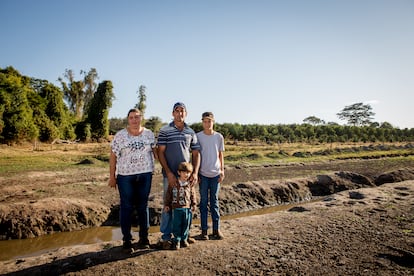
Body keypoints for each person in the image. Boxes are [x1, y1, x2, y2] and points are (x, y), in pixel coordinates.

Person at [108, 108, 156, 251]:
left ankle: (144, 238)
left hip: (145, 175)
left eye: (137, 117)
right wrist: (112, 176)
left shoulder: (149, 134)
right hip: (125, 177)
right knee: (126, 207)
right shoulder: (120, 136)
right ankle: (127, 240)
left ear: (141, 118)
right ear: (128, 120)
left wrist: (166, 169)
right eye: (131, 118)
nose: (134, 120)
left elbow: (156, 152)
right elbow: (113, 156)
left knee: (143, 206)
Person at [157, 102, 200, 249]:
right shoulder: (165, 130)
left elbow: (195, 153)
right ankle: (166, 237)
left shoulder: (191, 132)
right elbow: (160, 152)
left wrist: (194, 172)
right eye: (177, 111)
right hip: (169, 176)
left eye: (182, 111)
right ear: (172, 113)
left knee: (186, 206)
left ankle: (183, 235)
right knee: (169, 204)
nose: (179, 114)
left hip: (185, 177)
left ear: (186, 114)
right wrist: (169, 173)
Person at [196, 111, 225, 240]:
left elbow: (220, 155)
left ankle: (216, 230)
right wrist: (196, 173)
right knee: (203, 203)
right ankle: (204, 231)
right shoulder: (198, 137)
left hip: (215, 174)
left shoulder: (219, 137)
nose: (207, 123)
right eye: (205, 121)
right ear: (202, 122)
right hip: (203, 174)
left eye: (209, 121)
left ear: (213, 122)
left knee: (214, 202)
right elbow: (195, 155)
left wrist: (222, 170)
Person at [164, 162, 197, 249]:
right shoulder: (174, 183)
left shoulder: (190, 184)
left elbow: (193, 195)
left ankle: (184, 239)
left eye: (188, 172)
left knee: (186, 224)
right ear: (179, 172)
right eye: (184, 172)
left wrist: (194, 204)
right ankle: (177, 240)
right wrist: (167, 204)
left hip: (187, 208)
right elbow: (168, 194)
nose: (186, 174)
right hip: (176, 208)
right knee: (176, 225)